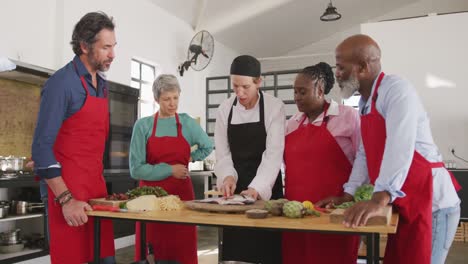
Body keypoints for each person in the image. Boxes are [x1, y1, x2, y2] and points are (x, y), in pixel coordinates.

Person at [317, 34, 461, 264]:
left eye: (341, 67)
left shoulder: (396, 90)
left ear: (363, 67)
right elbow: (365, 154)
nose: (337, 73)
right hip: (407, 207)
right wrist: (349, 193)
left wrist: (379, 198)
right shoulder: (365, 104)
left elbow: (399, 145)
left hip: (433, 206)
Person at [31, 12, 117, 264]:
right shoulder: (61, 83)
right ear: (84, 46)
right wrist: (67, 201)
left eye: (114, 46)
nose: (113, 54)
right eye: (105, 47)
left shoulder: (101, 84)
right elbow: (41, 147)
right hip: (67, 196)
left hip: (96, 192)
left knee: (105, 259)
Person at [129, 74, 213, 264]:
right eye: (167, 99)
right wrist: (170, 169)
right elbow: (136, 169)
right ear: (156, 99)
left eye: (176, 98)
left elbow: (207, 146)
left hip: (180, 196)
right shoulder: (143, 126)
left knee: (181, 248)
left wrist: (190, 158)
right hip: (150, 199)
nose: (172, 103)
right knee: (152, 249)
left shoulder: (187, 123)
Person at [282, 62, 361, 264]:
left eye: (302, 92)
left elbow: (364, 158)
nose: (297, 97)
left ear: (319, 90)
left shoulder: (347, 117)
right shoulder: (292, 123)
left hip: (333, 213)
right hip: (296, 215)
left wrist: (348, 195)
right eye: (295, 92)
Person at [214, 55, 285, 263]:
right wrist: (227, 177)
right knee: (237, 253)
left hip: (266, 188)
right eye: (234, 86)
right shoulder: (224, 109)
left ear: (258, 82)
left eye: (245, 86)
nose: (239, 92)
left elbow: (273, 153)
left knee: (267, 251)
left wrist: (257, 188)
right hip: (236, 192)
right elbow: (223, 152)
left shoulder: (274, 107)